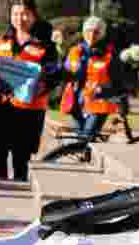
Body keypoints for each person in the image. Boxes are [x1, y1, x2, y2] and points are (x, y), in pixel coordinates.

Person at [0, 0, 61, 181]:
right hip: (1, 107)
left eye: (25, 14)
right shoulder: (0, 42)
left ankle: (19, 192)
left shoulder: (46, 45)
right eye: (16, 14)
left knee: (21, 157)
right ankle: (0, 191)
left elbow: (54, 75)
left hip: (30, 109)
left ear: (34, 16)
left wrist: (41, 85)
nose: (20, 18)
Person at [50, 16, 125, 160]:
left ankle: (85, 159)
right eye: (88, 31)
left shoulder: (109, 54)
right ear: (84, 32)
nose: (91, 35)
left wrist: (107, 92)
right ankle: (85, 163)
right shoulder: (75, 51)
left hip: (99, 103)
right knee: (81, 140)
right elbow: (67, 74)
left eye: (96, 32)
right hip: (76, 102)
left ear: (102, 34)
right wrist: (58, 54)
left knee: (85, 138)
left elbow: (118, 82)